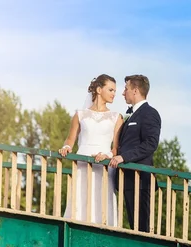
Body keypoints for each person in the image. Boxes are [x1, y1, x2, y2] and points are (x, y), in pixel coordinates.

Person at [59, 74, 123, 225]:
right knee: (80, 198)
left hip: (103, 165)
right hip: (82, 164)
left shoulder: (116, 117)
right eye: (111, 89)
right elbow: (70, 139)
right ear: (99, 90)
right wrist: (66, 147)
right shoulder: (80, 115)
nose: (114, 93)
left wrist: (106, 155)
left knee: (101, 200)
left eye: (115, 90)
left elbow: (116, 148)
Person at [109, 74, 161, 233]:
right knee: (134, 226)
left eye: (126, 89)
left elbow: (151, 144)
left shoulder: (150, 113)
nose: (123, 93)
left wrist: (123, 157)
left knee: (142, 228)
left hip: (140, 180)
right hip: (128, 180)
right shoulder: (131, 115)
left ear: (136, 91)